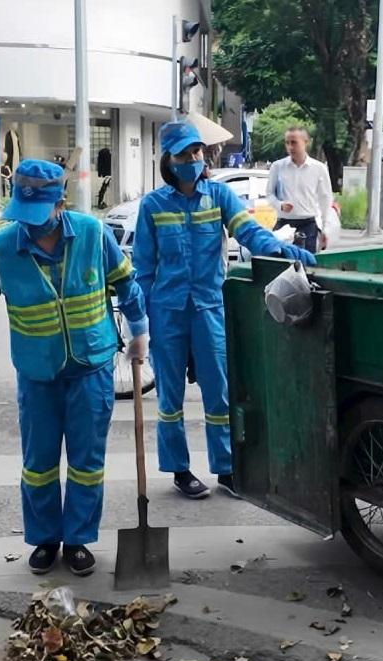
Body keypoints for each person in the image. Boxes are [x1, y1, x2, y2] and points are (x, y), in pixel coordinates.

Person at [0, 159, 147, 577]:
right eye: (24, 215)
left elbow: (126, 282)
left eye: (40, 215)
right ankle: (46, 538)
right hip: (37, 373)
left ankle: (79, 539)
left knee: (87, 463)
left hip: (91, 367)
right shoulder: (3, 247)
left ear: (60, 203)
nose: (31, 225)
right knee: (39, 463)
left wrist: (139, 331)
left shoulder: (92, 233)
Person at [133, 120, 314, 501]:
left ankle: (227, 468)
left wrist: (283, 250)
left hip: (209, 307)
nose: (193, 159)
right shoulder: (153, 206)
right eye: (184, 154)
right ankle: (180, 469)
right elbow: (144, 269)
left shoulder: (218, 196)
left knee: (219, 393)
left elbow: (248, 233)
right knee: (170, 398)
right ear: (170, 159)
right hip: (166, 312)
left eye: (197, 152)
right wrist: (141, 324)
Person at [266, 126, 334, 255]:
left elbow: (326, 200)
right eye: (287, 143)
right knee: (280, 266)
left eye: (294, 142)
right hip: (284, 225)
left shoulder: (318, 168)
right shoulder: (278, 167)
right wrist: (280, 205)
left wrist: (326, 229)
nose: (290, 147)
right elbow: (269, 194)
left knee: (306, 267)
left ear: (306, 142)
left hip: (308, 225)